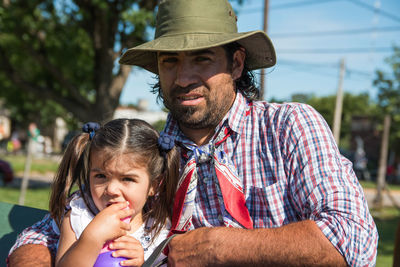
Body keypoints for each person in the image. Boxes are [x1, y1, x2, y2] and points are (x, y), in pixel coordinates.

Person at [8, 0, 378, 266]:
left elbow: (354, 240)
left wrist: (220, 247)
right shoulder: (144, 154)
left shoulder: (288, 127)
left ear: (236, 63)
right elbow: (46, 232)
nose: (183, 79)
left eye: (202, 58)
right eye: (170, 62)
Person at [9, 119, 179, 267]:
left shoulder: (158, 229)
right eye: (101, 176)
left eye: (127, 179)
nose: (111, 189)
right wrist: (92, 238)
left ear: (154, 186)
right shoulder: (79, 216)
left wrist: (143, 263)